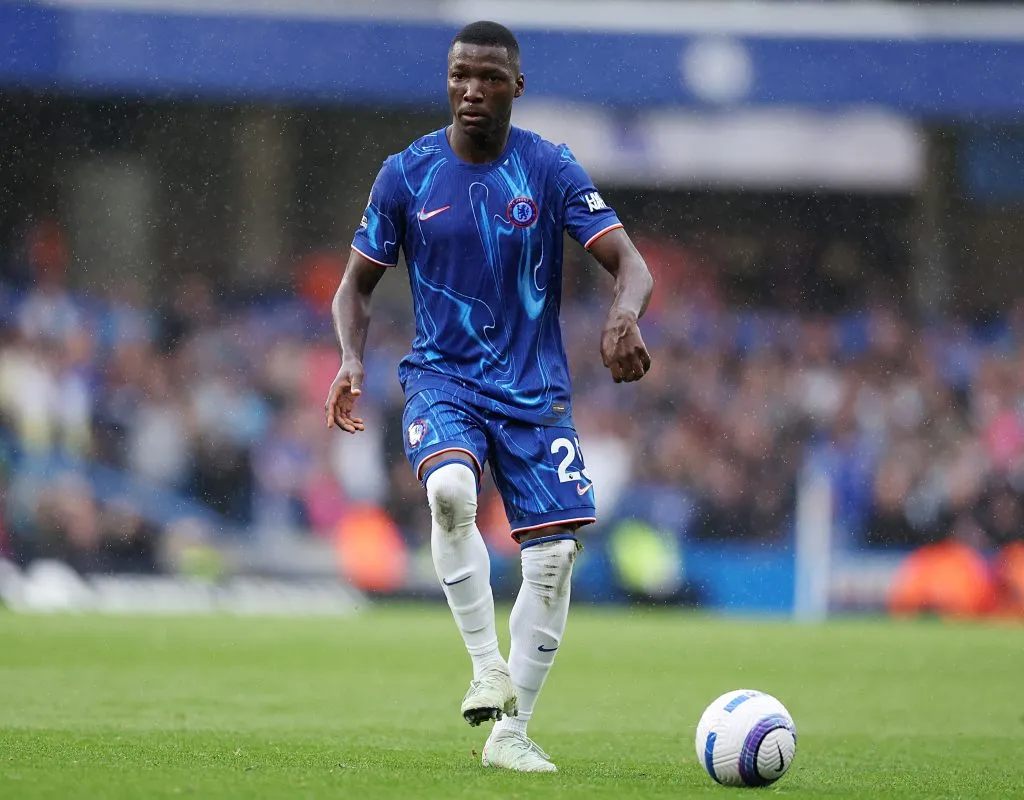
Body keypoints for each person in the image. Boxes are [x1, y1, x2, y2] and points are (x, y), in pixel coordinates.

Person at [325, 20, 654, 773]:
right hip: (442, 378)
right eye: (459, 76)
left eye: (489, 77)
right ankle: (485, 664)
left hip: (534, 391)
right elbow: (355, 286)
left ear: (517, 86)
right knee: (448, 492)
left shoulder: (550, 169)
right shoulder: (405, 174)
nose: (472, 89)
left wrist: (624, 312)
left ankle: (513, 732)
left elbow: (629, 264)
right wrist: (350, 357)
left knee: (553, 558)